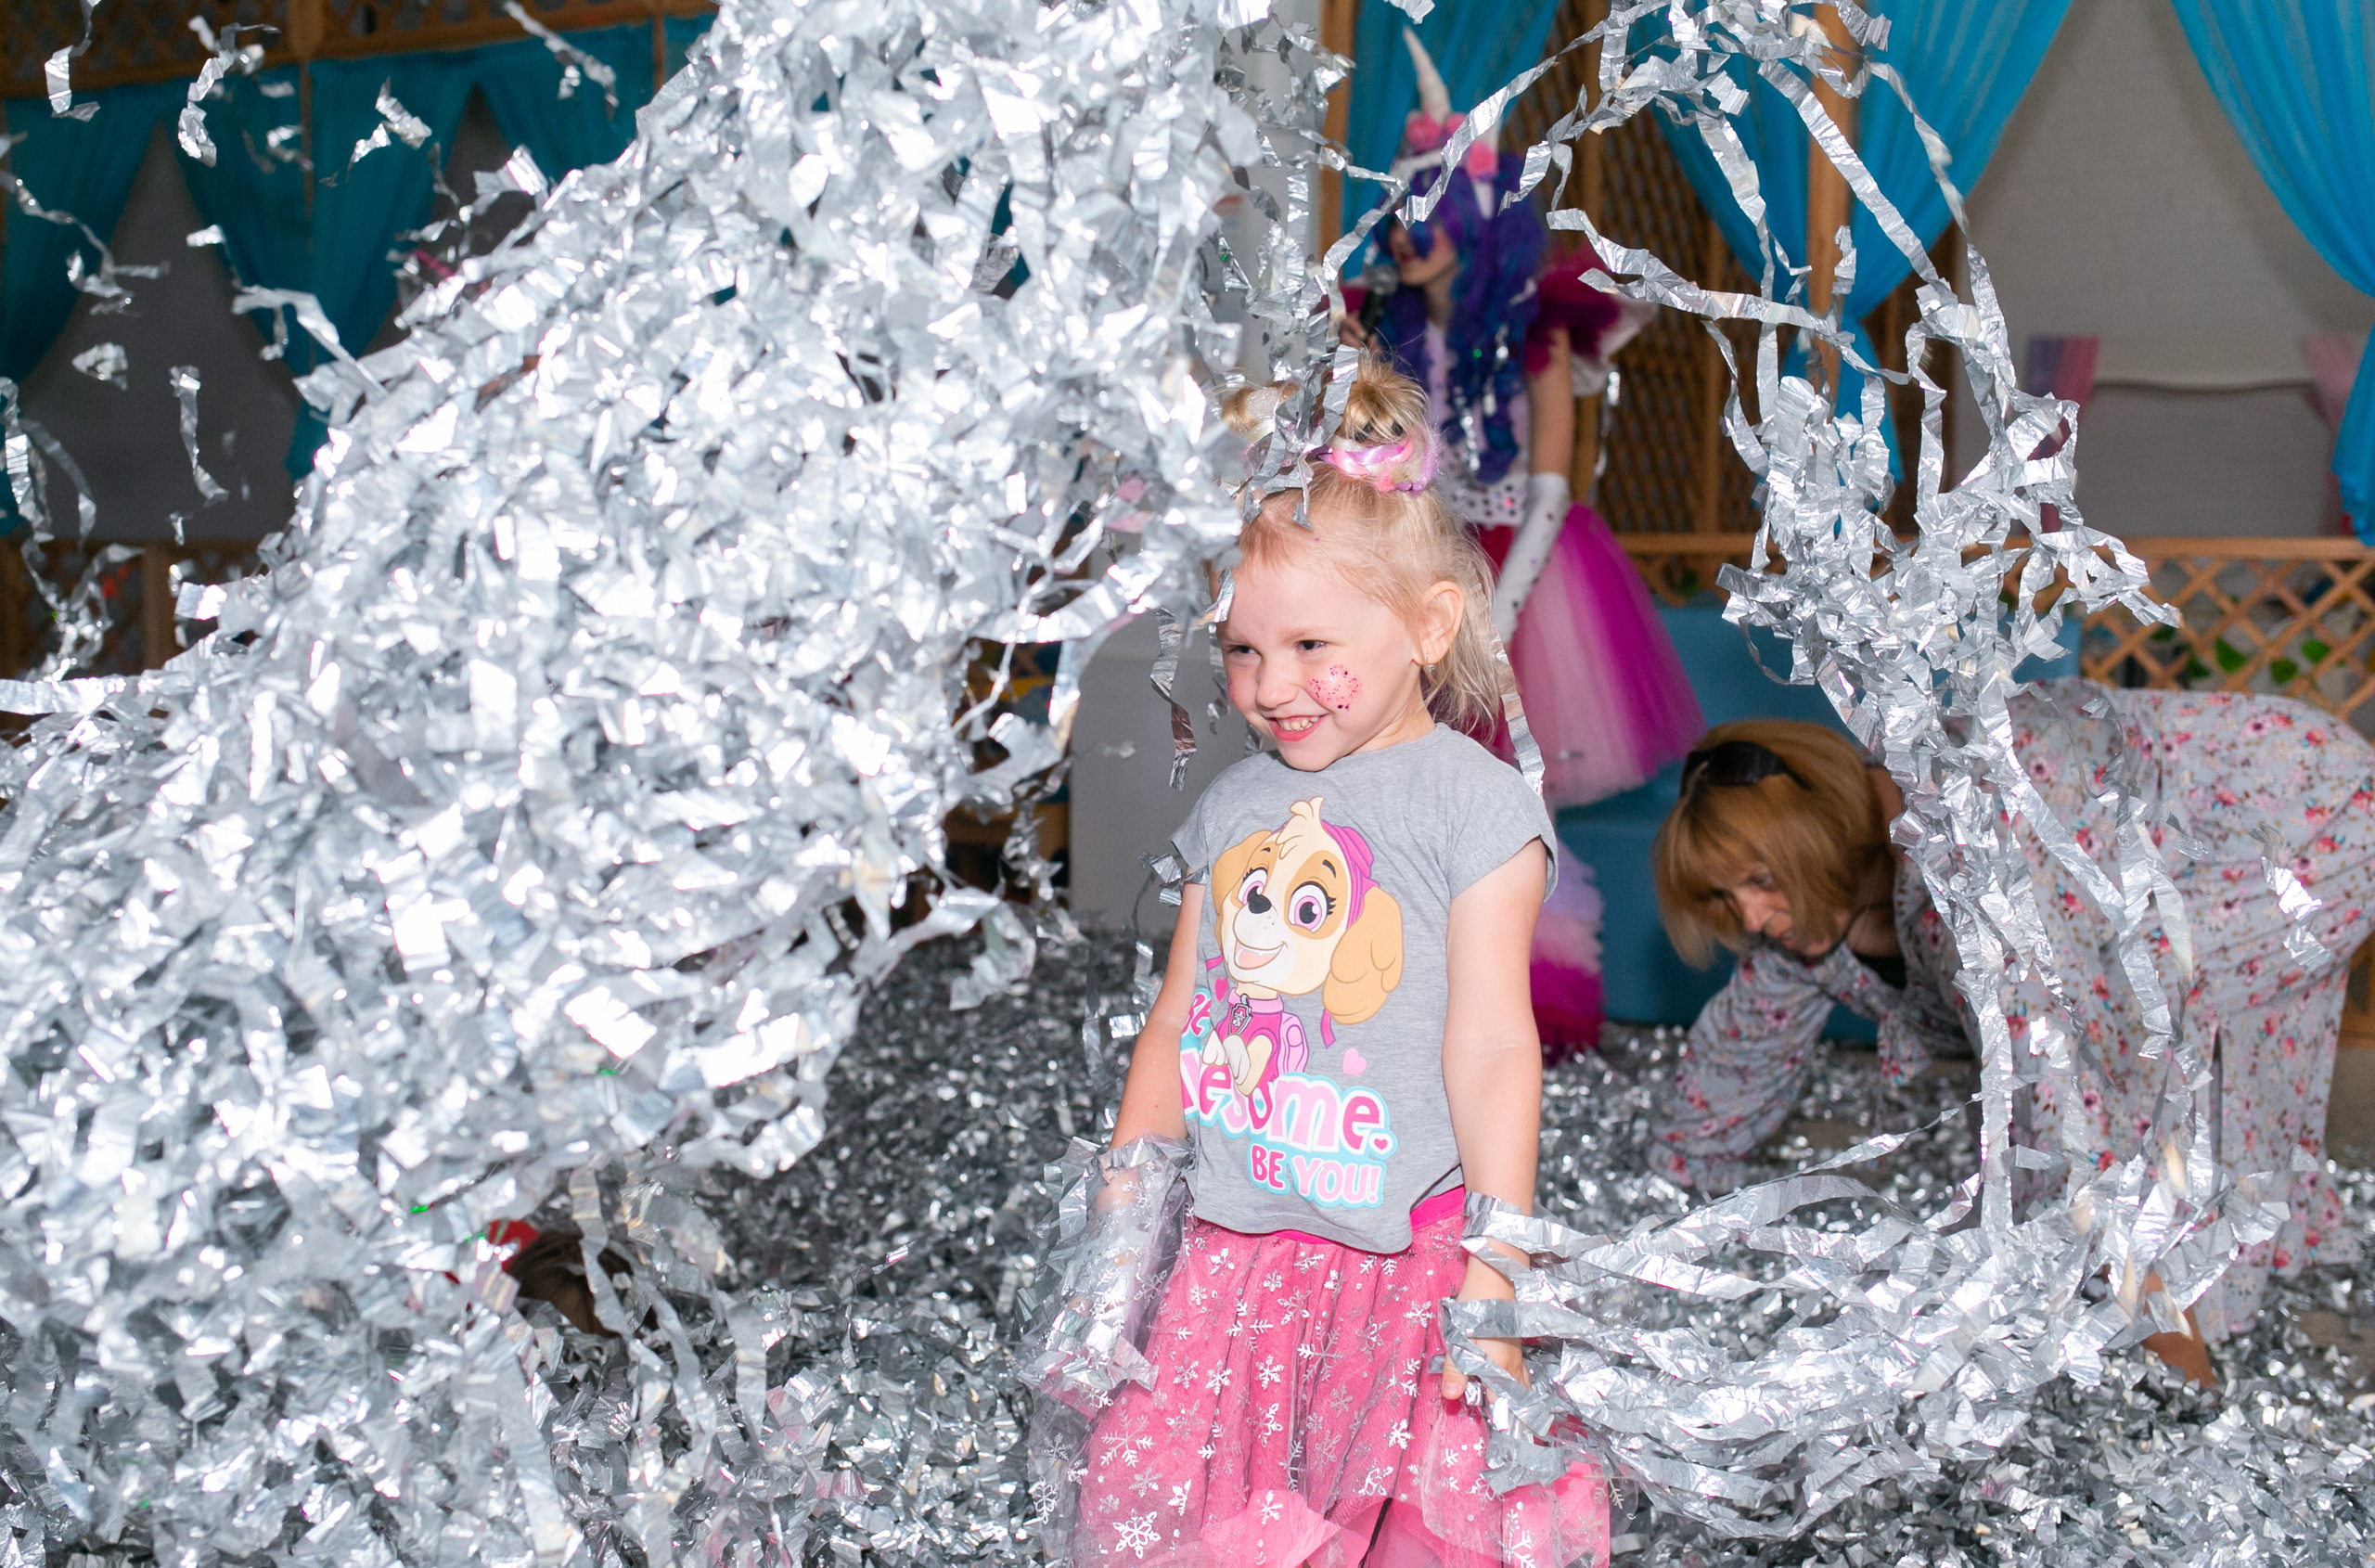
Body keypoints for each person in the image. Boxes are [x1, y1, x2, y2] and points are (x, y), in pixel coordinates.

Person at [1060, 356, 1611, 1566]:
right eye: (1245, 652)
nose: (1273, 688)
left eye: (1312, 644)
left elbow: (1489, 1043)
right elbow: (1176, 1025)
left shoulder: (1475, 807)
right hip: (1230, 1258)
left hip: (1399, 1267)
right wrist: (1120, 1214)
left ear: (1427, 624)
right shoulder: (1235, 805)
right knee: (1187, 1508)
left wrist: (1499, 1263)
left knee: (1403, 1521)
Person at [1647, 690, 2374, 1377]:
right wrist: (1666, 1206)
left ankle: (2184, 1295)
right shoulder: (1808, 922)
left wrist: (2176, 1356)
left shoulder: (1969, 869)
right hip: (2148, 851)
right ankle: (2185, 1268)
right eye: (1723, 895)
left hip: (2297, 811)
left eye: (1761, 880)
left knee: (2141, 1034)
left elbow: (2062, 1089)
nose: (1746, 918)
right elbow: (1737, 1055)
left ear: (1814, 837)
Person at [1341, 30, 1701, 1056]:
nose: (1412, 239)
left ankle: (1529, 1010)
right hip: (1420, 571)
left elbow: (1550, 489)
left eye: (1432, 215)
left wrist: (1496, 615)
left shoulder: (1538, 330)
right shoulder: (1391, 337)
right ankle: (1400, 1000)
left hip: (1526, 587)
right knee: (1400, 786)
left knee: (1507, 798)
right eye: (1400, 220)